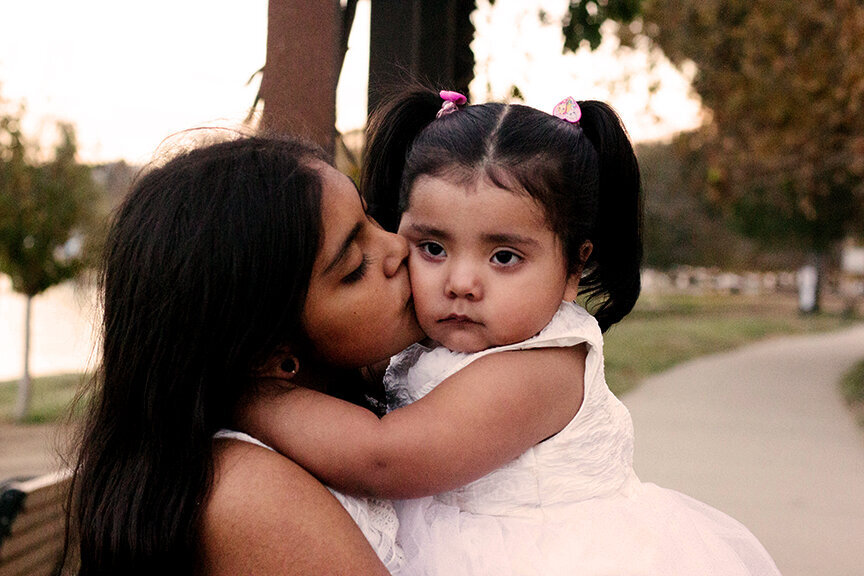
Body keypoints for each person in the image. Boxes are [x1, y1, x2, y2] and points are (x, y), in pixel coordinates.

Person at [240, 89, 783, 575]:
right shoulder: (429, 339)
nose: (461, 282)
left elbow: (385, 456)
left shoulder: (542, 363)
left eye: (504, 256)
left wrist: (248, 396)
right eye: (432, 248)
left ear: (573, 267)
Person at [66, 133, 425, 575]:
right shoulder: (249, 493)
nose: (397, 246)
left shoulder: (340, 418)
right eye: (354, 268)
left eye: (370, 216)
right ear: (270, 354)